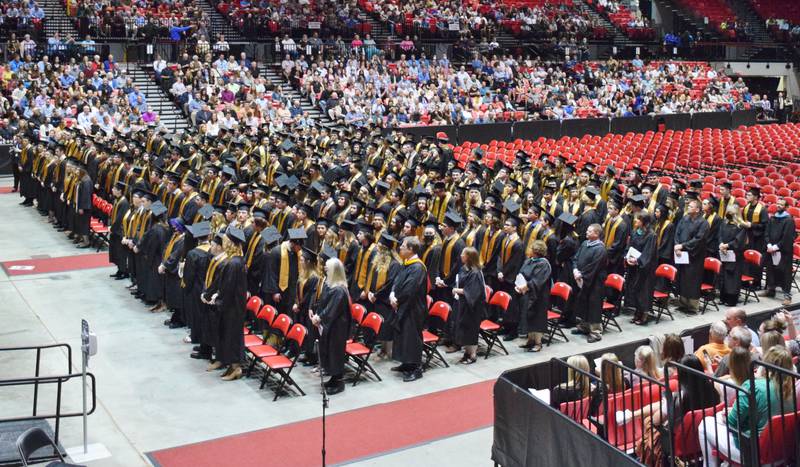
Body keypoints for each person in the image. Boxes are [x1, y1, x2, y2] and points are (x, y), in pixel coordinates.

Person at [699, 346, 797, 467]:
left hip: (754, 453)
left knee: (705, 423)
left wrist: (725, 417)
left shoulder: (752, 386)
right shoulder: (793, 389)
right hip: (782, 453)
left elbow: (732, 423)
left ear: (765, 365)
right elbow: (766, 413)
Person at [633, 355, 720, 467]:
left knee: (649, 421)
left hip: (679, 443)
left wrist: (666, 403)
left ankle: (648, 457)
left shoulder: (679, 398)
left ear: (682, 374)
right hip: (704, 439)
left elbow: (656, 421)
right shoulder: (714, 390)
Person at [202, 227, 248, 381]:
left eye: (226, 241)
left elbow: (228, 288)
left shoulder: (233, 263)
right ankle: (229, 364)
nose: (224, 243)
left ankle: (236, 368)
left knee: (232, 337)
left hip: (232, 307)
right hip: (234, 305)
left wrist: (218, 300)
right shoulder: (236, 260)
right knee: (228, 335)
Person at [310, 258, 352, 395]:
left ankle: (339, 382)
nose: (325, 269)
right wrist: (317, 313)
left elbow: (332, 309)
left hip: (337, 328)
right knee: (329, 351)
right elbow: (323, 304)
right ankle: (333, 378)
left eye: (328, 268)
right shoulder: (330, 285)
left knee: (336, 354)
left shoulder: (339, 290)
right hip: (330, 326)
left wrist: (320, 317)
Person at [391, 236, 429, 382]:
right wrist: (393, 294)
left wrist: (397, 300)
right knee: (403, 336)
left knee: (412, 337)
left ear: (411, 249)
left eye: (403, 246)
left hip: (413, 309)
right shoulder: (407, 263)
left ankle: (416, 368)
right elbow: (398, 281)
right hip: (403, 305)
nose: (400, 248)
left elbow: (410, 289)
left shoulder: (418, 267)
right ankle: (406, 363)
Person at [571, 224, 607, 343]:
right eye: (587, 230)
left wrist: (581, 274)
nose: (586, 232)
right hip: (583, 279)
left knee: (594, 306)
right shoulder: (584, 244)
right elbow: (576, 258)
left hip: (595, 282)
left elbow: (594, 266)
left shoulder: (600, 249)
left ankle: (596, 332)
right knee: (584, 303)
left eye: (589, 231)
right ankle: (584, 326)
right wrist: (575, 269)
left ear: (596, 234)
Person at [674, 199, 709, 314]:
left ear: (697, 210)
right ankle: (683, 303)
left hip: (695, 256)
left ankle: (693, 306)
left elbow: (698, 240)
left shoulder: (703, 223)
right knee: (682, 278)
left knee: (692, 280)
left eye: (691, 206)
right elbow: (677, 233)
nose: (688, 207)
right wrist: (677, 246)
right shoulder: (684, 219)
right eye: (688, 206)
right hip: (682, 254)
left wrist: (682, 246)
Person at [452, 246, 486, 363]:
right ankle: (467, 352)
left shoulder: (475, 273)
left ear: (469, 257)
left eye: (463, 254)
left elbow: (472, 292)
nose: (461, 256)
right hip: (464, 304)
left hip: (473, 307)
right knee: (464, 329)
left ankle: (473, 355)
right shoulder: (464, 268)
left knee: (471, 330)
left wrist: (458, 291)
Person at [516, 240, 552, 353]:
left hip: (539, 296)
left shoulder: (543, 264)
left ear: (536, 251)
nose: (529, 250)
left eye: (531, 248)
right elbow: (521, 273)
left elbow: (537, 281)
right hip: (527, 293)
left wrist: (525, 287)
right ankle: (530, 340)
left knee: (537, 319)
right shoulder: (529, 261)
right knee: (528, 317)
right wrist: (519, 285)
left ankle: (538, 343)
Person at [762, 198, 796, 306]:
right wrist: (768, 244)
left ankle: (787, 295)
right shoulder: (773, 218)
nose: (779, 206)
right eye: (778, 204)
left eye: (781, 204)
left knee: (785, 272)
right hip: (771, 249)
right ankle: (771, 290)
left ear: (786, 207)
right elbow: (766, 231)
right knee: (770, 269)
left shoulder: (789, 220)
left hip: (783, 251)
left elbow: (787, 237)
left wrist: (776, 246)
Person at [626, 212, 657, 325]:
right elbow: (630, 247)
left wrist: (638, 261)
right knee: (635, 290)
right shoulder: (635, 232)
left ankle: (644, 314)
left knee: (643, 291)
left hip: (645, 269)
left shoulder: (651, 235)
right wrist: (628, 257)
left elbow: (648, 253)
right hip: (634, 267)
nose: (635, 221)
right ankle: (637, 312)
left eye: (638, 220)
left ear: (644, 221)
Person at [717, 203, 747, 306]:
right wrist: (721, 244)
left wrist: (727, 246)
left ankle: (731, 300)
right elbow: (719, 235)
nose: (729, 213)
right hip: (724, 253)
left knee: (732, 278)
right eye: (728, 211)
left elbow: (739, 241)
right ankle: (723, 297)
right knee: (723, 276)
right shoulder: (724, 223)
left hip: (735, 255)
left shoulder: (741, 225)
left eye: (731, 211)